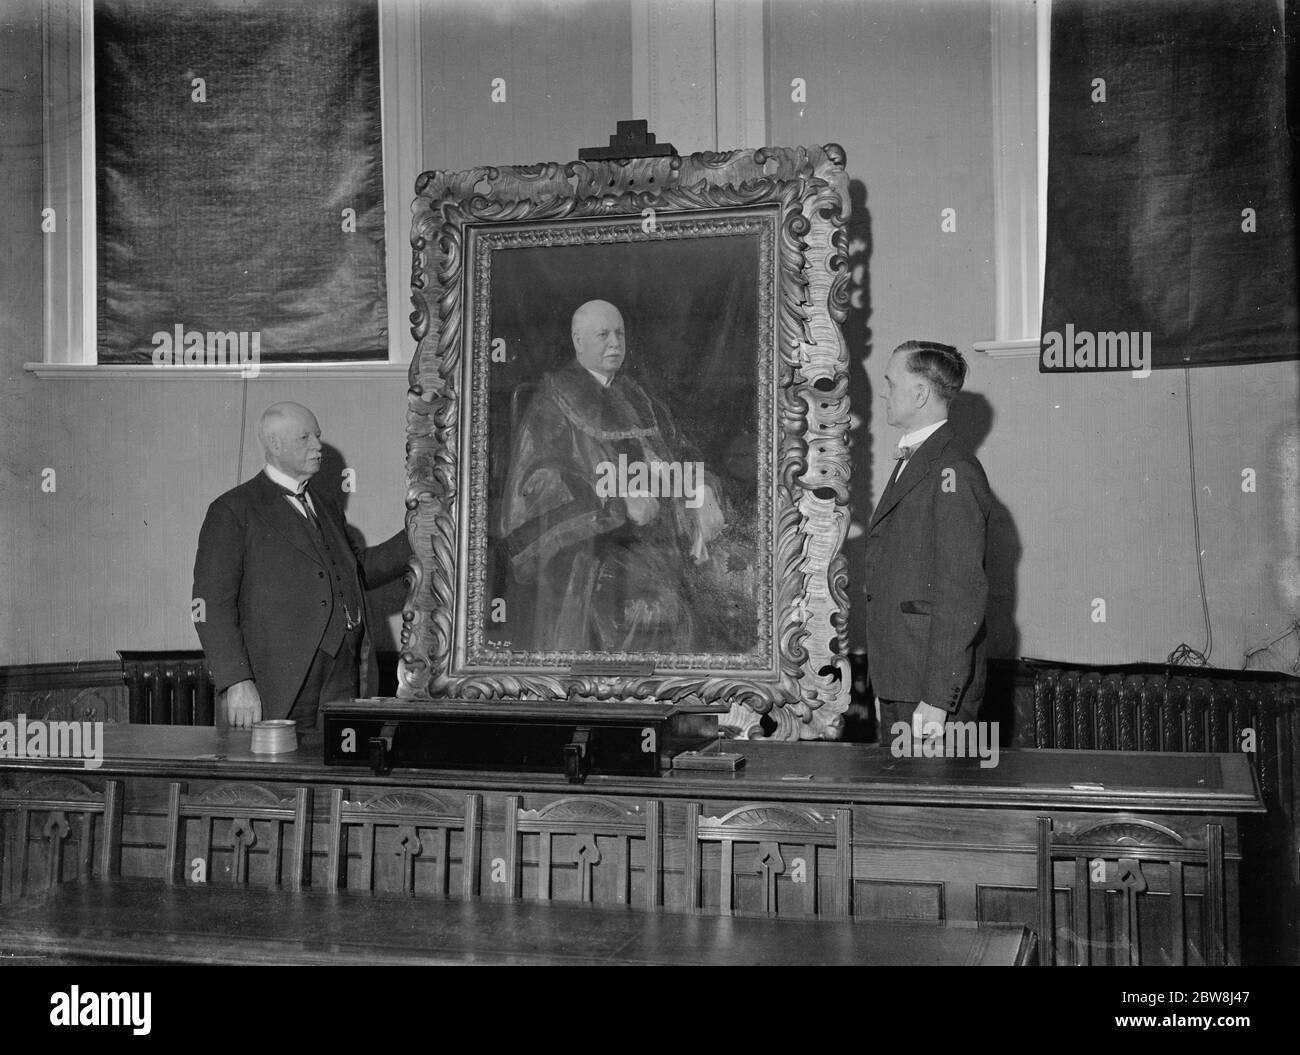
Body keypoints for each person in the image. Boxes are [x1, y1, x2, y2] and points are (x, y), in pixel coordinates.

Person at [499, 299, 727, 653]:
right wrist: (617, 505)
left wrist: (703, 488)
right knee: (648, 611)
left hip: (657, 549)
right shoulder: (552, 403)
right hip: (589, 560)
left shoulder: (636, 396)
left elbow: (679, 453)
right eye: (603, 334)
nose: (615, 344)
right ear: (578, 341)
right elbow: (538, 485)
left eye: (619, 333)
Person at [192, 402, 411, 731]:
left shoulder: (326, 505)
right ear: (275, 445)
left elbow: (353, 572)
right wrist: (237, 681)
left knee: (338, 773)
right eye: (305, 438)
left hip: (344, 673)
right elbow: (211, 605)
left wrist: (416, 535)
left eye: (318, 436)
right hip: (279, 684)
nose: (318, 445)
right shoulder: (233, 510)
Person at [863, 341, 991, 742]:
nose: (883, 391)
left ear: (920, 393)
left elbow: (961, 592)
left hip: (928, 693)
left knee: (921, 804)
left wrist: (938, 699)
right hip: (903, 679)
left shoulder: (953, 468)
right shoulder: (922, 460)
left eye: (890, 382)